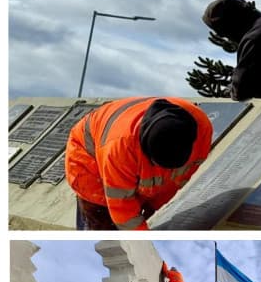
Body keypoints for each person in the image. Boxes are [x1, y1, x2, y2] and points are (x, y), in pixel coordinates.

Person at [65, 97, 212, 230]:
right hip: (87, 159)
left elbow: (175, 181)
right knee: (104, 223)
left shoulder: (202, 129)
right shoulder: (120, 148)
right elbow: (122, 208)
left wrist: (153, 205)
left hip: (122, 150)